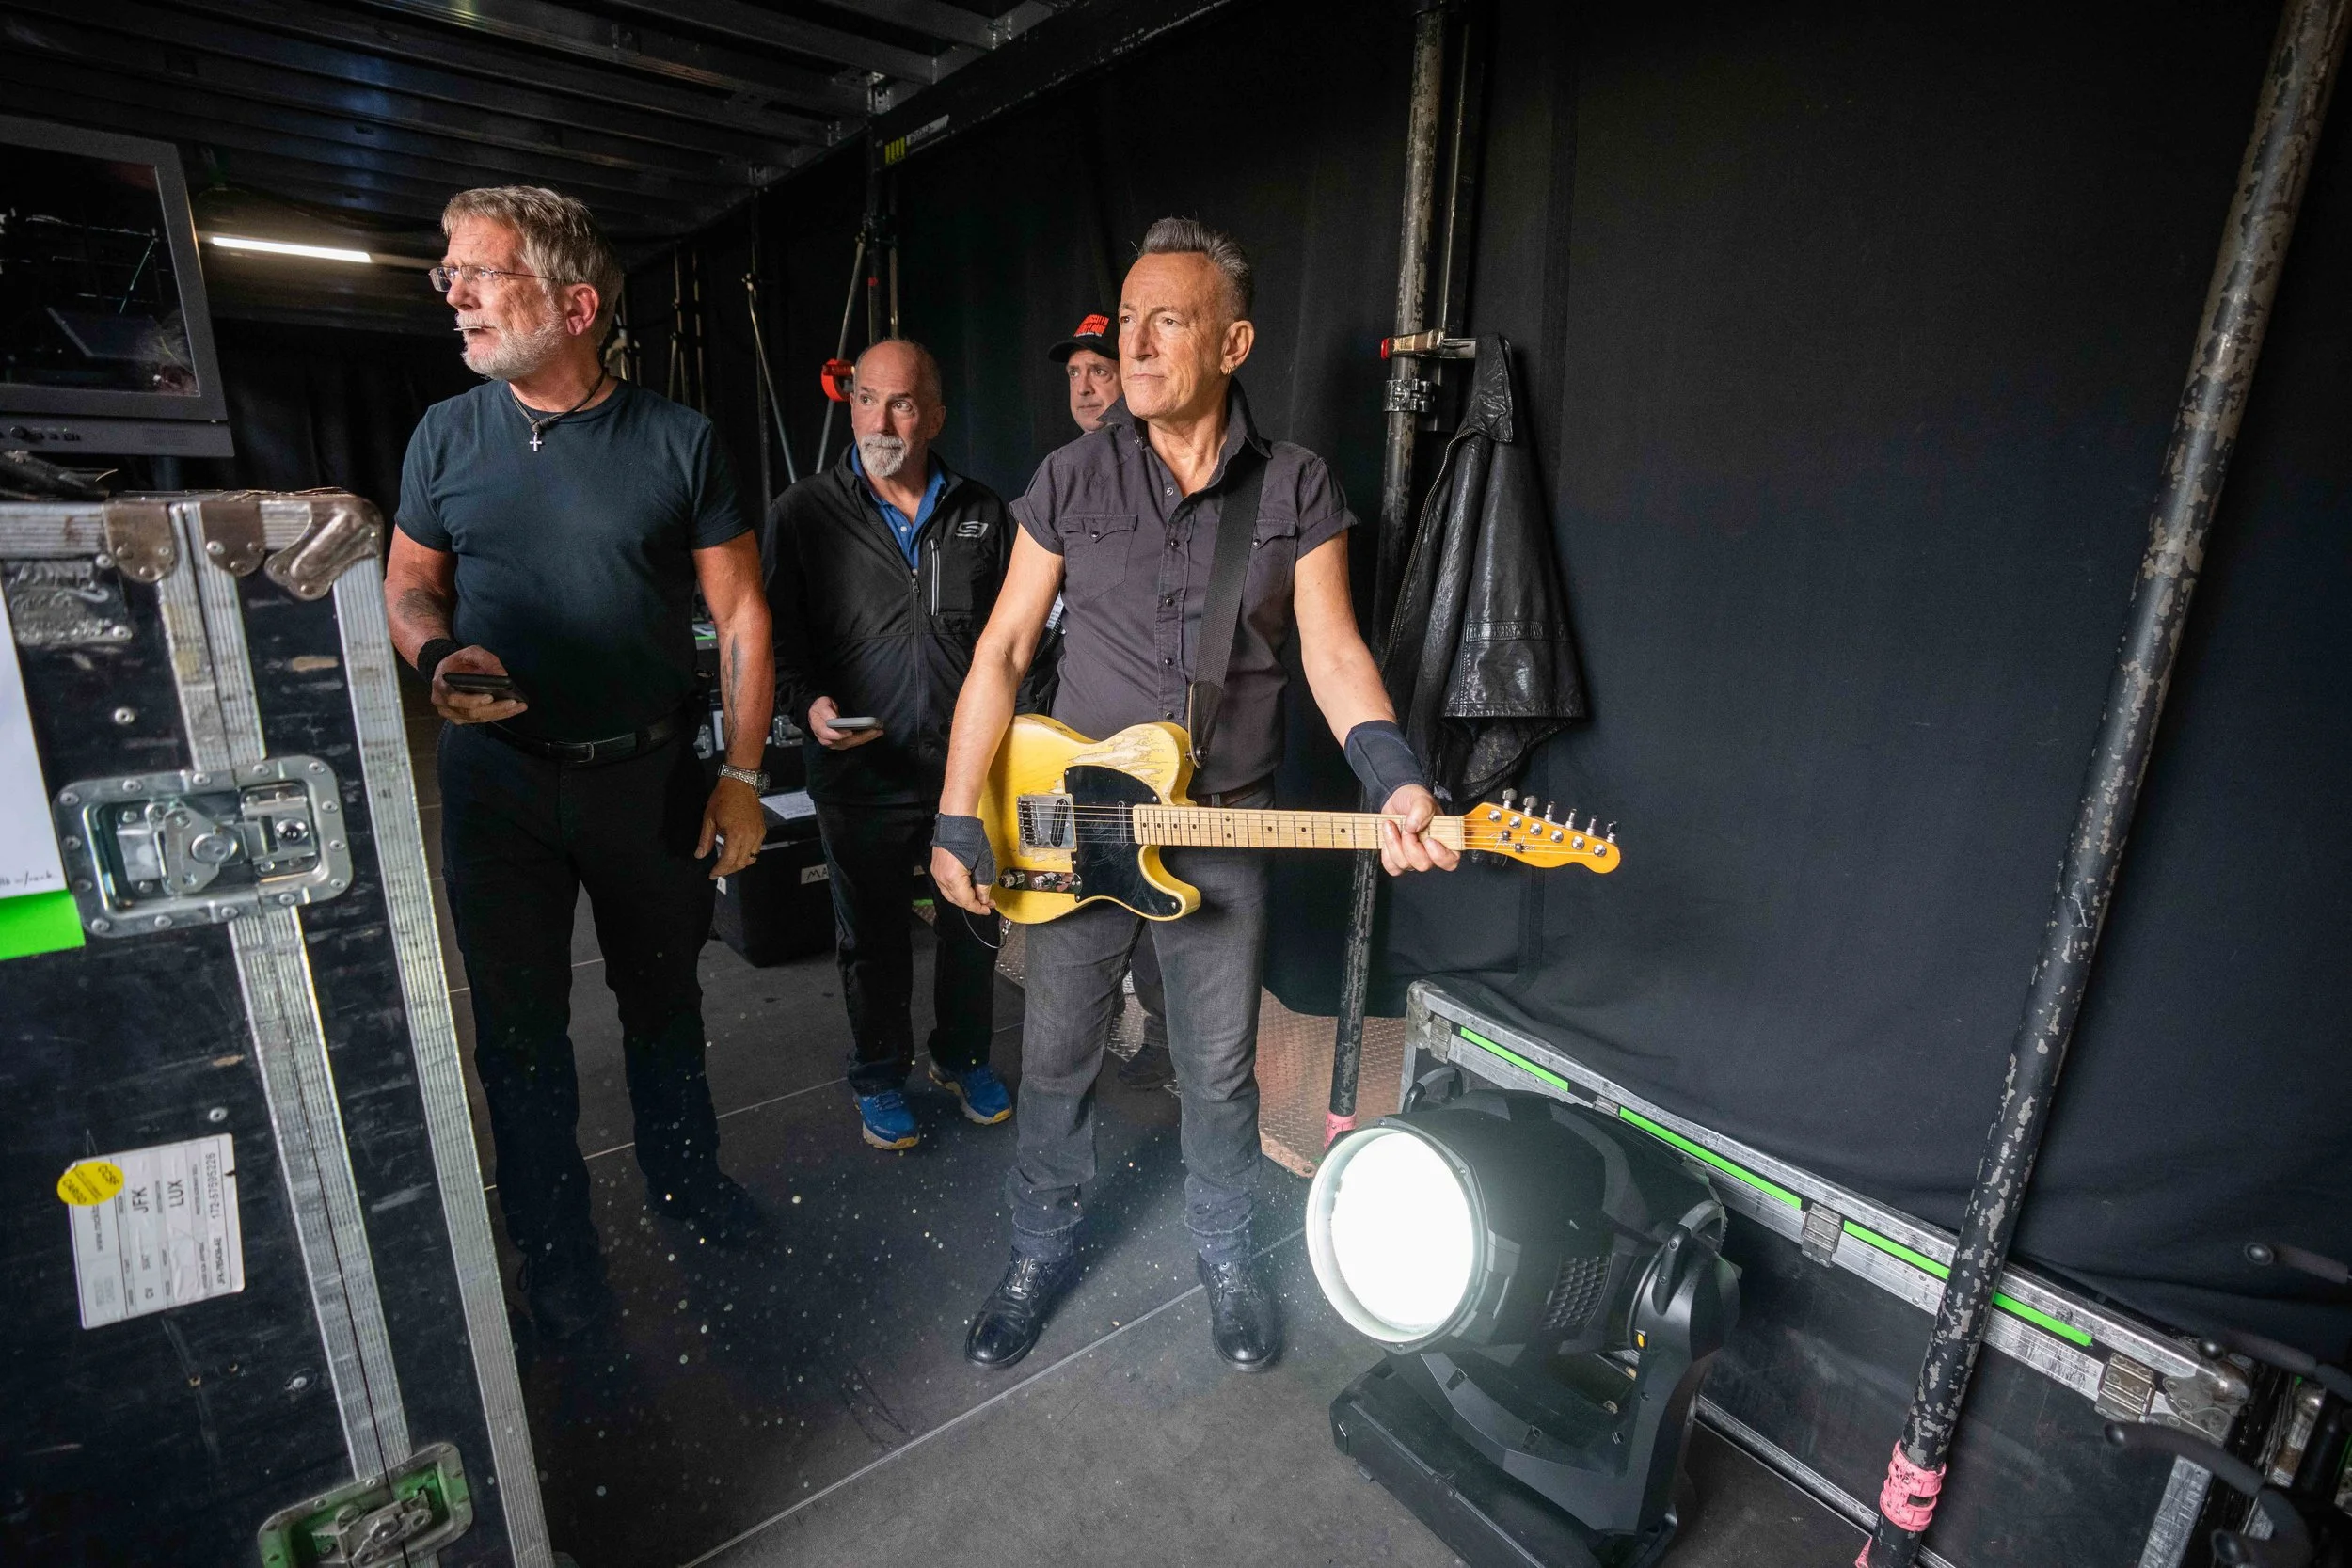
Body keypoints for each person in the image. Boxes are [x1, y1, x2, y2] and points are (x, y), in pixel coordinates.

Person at [930, 219, 1461, 1374]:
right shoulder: (1071, 475)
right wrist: (957, 810)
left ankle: (1225, 1250)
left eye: (1166, 318)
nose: (1134, 340)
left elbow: (1331, 653)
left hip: (1217, 828)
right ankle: (1035, 1246)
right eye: (1126, 318)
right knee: (1058, 1051)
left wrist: (1398, 778)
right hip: (1073, 822)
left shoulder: (1298, 484)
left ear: (1233, 340)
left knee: (1217, 1067)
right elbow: (1006, 643)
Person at [385, 185, 773, 1341]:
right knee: (517, 1032)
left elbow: (742, 614)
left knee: (662, 1004)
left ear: (575, 303)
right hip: (498, 787)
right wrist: (438, 654)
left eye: (481, 273)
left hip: (646, 780)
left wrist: (741, 775)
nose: (454, 292)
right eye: (446, 270)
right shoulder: (445, 435)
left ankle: (686, 1181)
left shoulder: (677, 440)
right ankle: (557, 1256)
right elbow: (409, 584)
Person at [765, 340, 1016, 1152]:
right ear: (851, 404)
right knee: (870, 937)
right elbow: (774, 645)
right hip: (858, 771)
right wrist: (810, 709)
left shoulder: (984, 512)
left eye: (903, 403)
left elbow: (1018, 643)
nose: (883, 419)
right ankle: (879, 1074)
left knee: (974, 927)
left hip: (966, 774)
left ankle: (961, 1056)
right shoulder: (804, 514)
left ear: (935, 414)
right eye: (868, 399)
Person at [1042, 312, 1176, 1094]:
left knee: (1156, 899)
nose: (1088, 386)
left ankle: (1161, 1041)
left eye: (1102, 369)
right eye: (1075, 374)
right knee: (1070, 900)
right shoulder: (1062, 473)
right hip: (1061, 740)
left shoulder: (1158, 476)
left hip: (1146, 752)